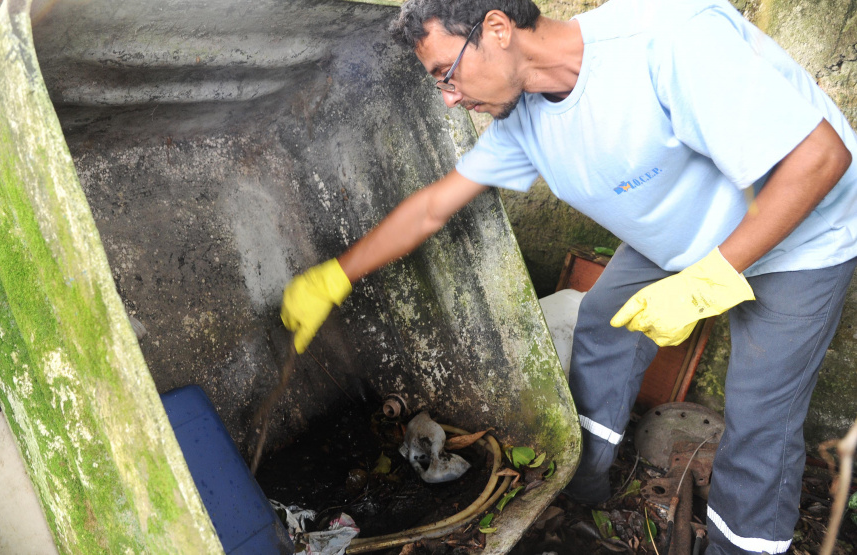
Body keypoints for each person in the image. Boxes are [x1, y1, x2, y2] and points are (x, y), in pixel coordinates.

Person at [280, 0, 857, 552]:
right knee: (603, 328)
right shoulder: (524, 119)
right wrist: (337, 275)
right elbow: (434, 206)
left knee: (760, 419)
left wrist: (709, 282)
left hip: (804, 235)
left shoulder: (667, 40)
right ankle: (579, 487)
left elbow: (821, 159)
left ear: (498, 29)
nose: (450, 99)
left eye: (447, 74)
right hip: (683, 236)